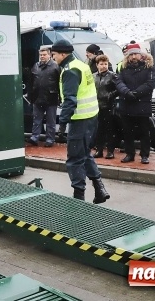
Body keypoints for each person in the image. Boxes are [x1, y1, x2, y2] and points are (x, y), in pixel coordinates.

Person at [51, 39, 109, 203]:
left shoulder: (70, 70)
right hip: (91, 117)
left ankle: (79, 197)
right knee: (84, 153)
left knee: (74, 159)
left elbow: (70, 100)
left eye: (54, 54)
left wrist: (62, 125)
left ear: (63, 54)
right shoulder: (81, 65)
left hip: (80, 120)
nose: (53, 57)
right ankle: (99, 188)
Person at [114, 48, 155, 164]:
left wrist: (136, 93)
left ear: (141, 55)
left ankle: (144, 155)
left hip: (142, 104)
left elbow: (151, 83)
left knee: (144, 132)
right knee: (127, 132)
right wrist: (127, 92)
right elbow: (119, 82)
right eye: (131, 55)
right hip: (126, 103)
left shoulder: (148, 67)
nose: (133, 57)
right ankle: (129, 154)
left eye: (136, 54)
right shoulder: (123, 68)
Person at [27, 45, 60, 147]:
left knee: (51, 121)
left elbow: (59, 83)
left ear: (49, 55)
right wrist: (30, 96)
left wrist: (60, 97)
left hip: (51, 98)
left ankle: (50, 140)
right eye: (40, 55)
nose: (42, 56)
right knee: (36, 120)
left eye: (44, 55)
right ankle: (34, 137)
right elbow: (31, 82)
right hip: (37, 98)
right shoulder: (35, 66)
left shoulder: (56, 66)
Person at [93, 54, 118, 158]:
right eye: (101, 64)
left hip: (109, 106)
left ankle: (110, 151)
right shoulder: (93, 76)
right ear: (97, 65)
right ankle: (99, 150)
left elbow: (118, 88)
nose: (104, 66)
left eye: (105, 64)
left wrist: (110, 95)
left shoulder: (112, 75)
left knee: (110, 129)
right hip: (96, 106)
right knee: (99, 129)